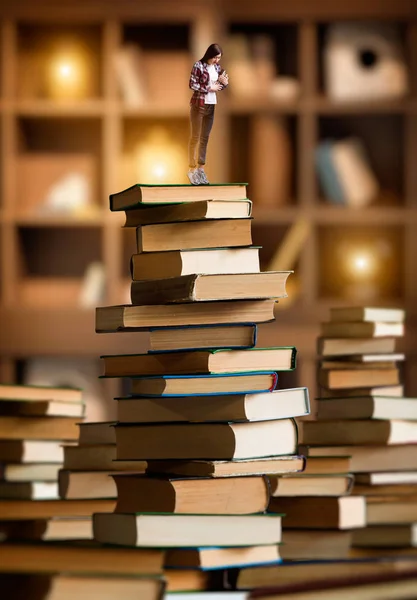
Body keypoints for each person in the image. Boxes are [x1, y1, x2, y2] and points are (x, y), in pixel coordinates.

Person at [188, 43, 229, 185]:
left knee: (205, 137)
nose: (217, 60)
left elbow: (220, 86)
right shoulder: (198, 66)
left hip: (211, 104)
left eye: (219, 58)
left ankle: (201, 168)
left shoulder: (217, 68)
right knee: (195, 136)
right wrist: (209, 87)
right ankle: (192, 168)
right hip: (199, 104)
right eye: (215, 57)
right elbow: (192, 84)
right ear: (209, 55)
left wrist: (224, 83)